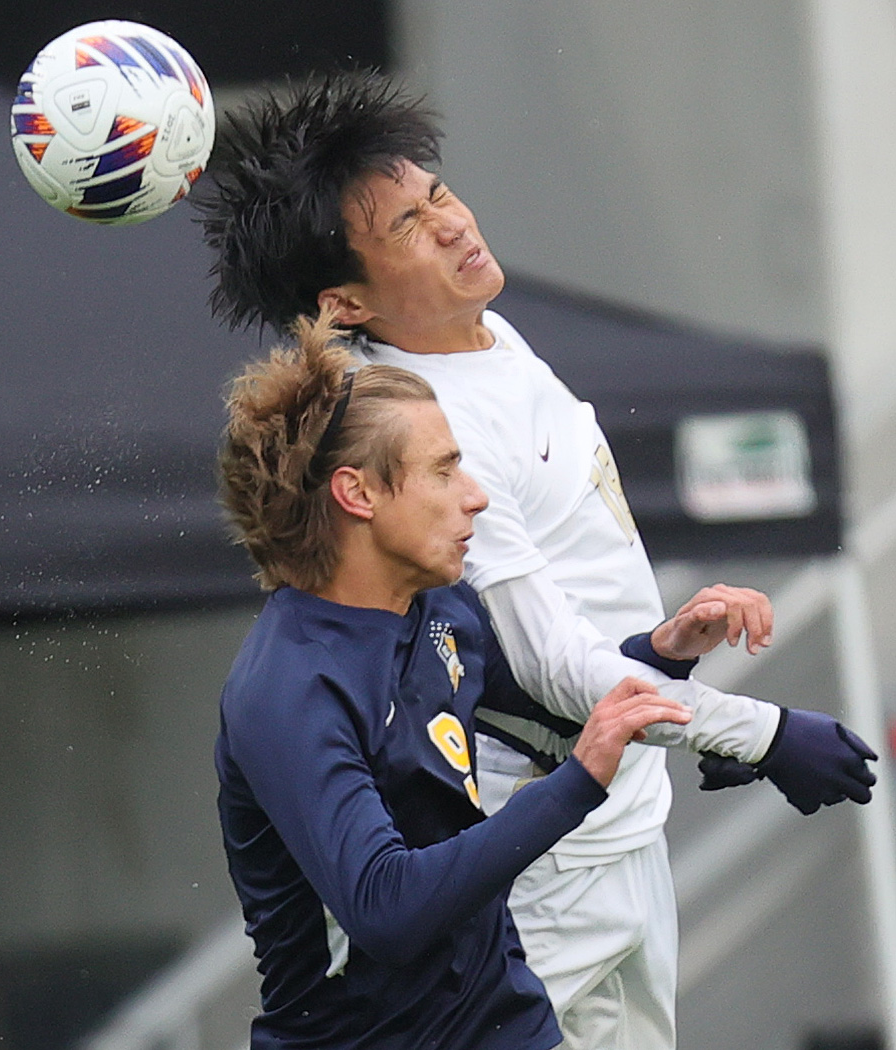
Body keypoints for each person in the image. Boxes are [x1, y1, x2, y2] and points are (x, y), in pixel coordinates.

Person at [197, 71, 877, 1049]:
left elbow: (536, 641)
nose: (452, 223)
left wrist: (665, 661)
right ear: (345, 301)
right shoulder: (411, 431)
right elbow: (546, 671)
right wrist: (755, 732)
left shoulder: (490, 337)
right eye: (408, 227)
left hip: (622, 811)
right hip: (548, 858)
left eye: (438, 194)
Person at [213, 310, 695, 1050]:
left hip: (506, 1024)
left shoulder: (440, 607)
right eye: (443, 470)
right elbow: (386, 909)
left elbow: (552, 713)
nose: (476, 495)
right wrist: (575, 784)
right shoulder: (288, 688)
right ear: (358, 494)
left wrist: (664, 653)